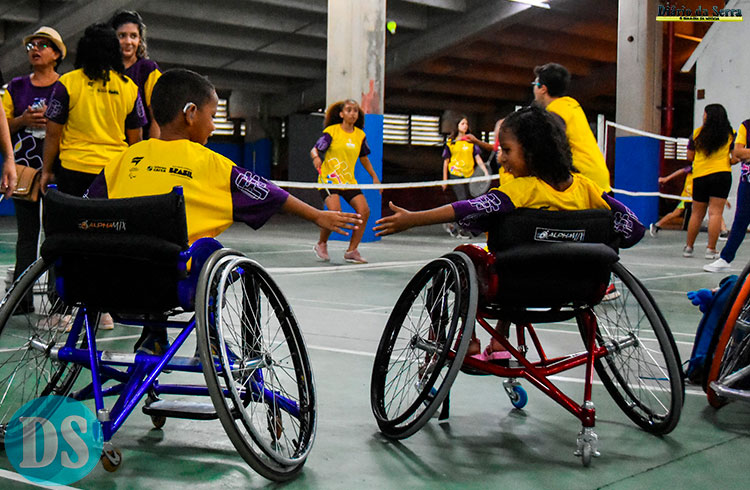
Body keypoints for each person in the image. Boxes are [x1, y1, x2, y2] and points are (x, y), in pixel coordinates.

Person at [86, 68, 362, 354]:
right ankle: (213, 341)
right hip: (173, 284)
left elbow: (85, 207)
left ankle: (154, 335)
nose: (214, 126)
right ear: (190, 113)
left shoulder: (126, 158)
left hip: (110, 281)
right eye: (213, 116)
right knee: (213, 254)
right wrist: (318, 216)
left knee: (149, 243)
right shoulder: (213, 165)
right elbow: (270, 194)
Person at [374, 106, 644, 357]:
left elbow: (464, 209)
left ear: (532, 151)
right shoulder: (590, 190)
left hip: (514, 286)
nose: (501, 159)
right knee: (523, 263)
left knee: (461, 265)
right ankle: (501, 339)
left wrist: (413, 219)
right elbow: (632, 228)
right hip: (579, 289)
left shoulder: (519, 191)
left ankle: (466, 341)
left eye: (506, 150)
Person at [40, 23, 146, 197]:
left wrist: (46, 171)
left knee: (73, 223)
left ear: (83, 48)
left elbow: (53, 133)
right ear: (115, 51)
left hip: (72, 170)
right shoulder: (129, 88)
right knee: (106, 223)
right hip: (113, 171)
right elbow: (136, 139)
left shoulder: (68, 83)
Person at [1, 26, 65, 314]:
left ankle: (57, 298)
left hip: (58, 172)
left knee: (56, 234)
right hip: (24, 170)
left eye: (43, 45)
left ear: (57, 54)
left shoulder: (66, 86)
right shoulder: (15, 87)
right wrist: (22, 120)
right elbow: (3, 124)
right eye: (31, 46)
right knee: (27, 235)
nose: (35, 49)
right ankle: (21, 299)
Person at [310, 99, 381, 264]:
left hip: (348, 181)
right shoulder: (331, 131)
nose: (353, 113)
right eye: (349, 110)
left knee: (364, 211)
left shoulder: (360, 135)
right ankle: (321, 243)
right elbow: (315, 149)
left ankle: (352, 250)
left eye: (355, 110)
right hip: (329, 180)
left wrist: (374, 176)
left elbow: (363, 157)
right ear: (341, 114)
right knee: (335, 213)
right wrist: (315, 158)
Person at [532, 62, 611, 193]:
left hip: (584, 181)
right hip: (600, 177)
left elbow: (552, 148)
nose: (534, 89)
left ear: (543, 88)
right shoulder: (572, 105)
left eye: (534, 85)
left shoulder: (554, 113)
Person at [683, 104, 736, 259]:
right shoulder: (730, 133)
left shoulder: (697, 134)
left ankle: (688, 247)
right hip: (721, 175)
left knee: (697, 213)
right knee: (715, 213)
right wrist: (728, 162)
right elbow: (735, 157)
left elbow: (689, 157)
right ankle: (710, 249)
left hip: (700, 176)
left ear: (708, 116)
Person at [705, 118, 750, 272]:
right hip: (747, 182)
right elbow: (738, 152)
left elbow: (744, 152)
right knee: (740, 221)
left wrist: (747, 153)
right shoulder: (746, 125)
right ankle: (725, 258)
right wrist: (744, 153)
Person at [111, 10, 161, 139]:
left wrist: (152, 151)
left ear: (140, 40)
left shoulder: (148, 69)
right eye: (122, 36)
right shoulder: (104, 70)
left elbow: (157, 117)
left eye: (133, 36)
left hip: (139, 147)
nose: (128, 42)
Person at [441, 116, 490, 237]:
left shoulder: (471, 142)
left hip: (469, 175)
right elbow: (446, 161)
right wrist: (444, 179)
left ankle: (455, 225)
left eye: (466, 123)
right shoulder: (451, 142)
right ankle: (461, 228)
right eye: (462, 123)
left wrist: (485, 172)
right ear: (457, 126)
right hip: (455, 174)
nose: (465, 125)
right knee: (462, 200)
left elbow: (478, 158)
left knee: (468, 202)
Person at [649, 166, 693, 237]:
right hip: (687, 197)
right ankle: (657, 225)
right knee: (677, 212)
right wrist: (666, 179)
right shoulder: (695, 166)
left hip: (698, 196)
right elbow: (682, 171)